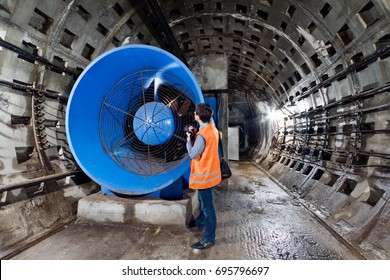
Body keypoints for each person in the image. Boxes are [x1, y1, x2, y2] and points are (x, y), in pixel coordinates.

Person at [186, 103, 222, 250]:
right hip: (212, 173)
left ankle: (209, 238)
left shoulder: (202, 135)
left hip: (204, 176)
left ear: (199, 116)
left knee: (208, 208)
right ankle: (200, 222)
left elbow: (193, 154)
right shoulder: (212, 128)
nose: (194, 115)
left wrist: (188, 140)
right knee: (202, 201)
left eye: (195, 113)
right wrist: (195, 132)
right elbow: (205, 140)